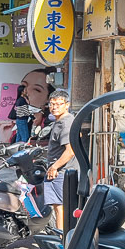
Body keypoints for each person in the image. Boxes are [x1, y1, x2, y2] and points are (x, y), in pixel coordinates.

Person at [43, 89, 78, 229]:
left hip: (61, 172)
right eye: (52, 104)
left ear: (67, 105)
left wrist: (54, 167)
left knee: (60, 209)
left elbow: (70, 151)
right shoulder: (64, 121)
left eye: (59, 104)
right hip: (66, 171)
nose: (55, 107)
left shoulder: (65, 123)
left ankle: (61, 242)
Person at [13, 68, 54, 142]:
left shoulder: (49, 120)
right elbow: (24, 111)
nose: (28, 91)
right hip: (22, 120)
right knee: (24, 137)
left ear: (49, 97)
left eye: (36, 89)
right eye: (25, 86)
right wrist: (32, 116)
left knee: (20, 136)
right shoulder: (22, 101)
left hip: (21, 120)